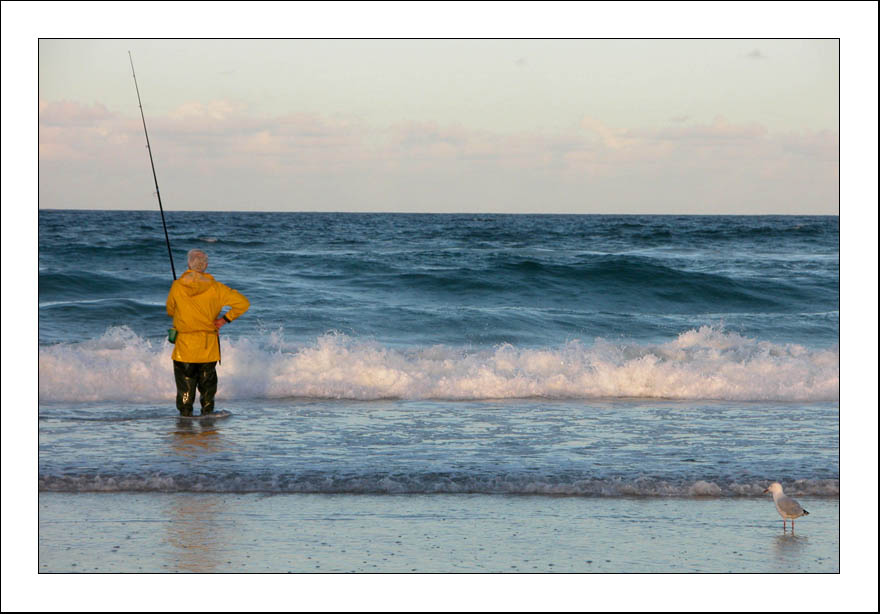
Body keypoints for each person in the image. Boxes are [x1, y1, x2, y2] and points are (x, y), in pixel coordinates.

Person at [166, 249, 250, 416]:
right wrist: (223, 320)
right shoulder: (216, 288)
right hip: (208, 347)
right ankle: (207, 418)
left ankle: (185, 420)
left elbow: (170, 311)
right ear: (205, 265)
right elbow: (243, 303)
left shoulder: (177, 286)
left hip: (184, 348)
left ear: (189, 264)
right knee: (207, 389)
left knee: (185, 388)